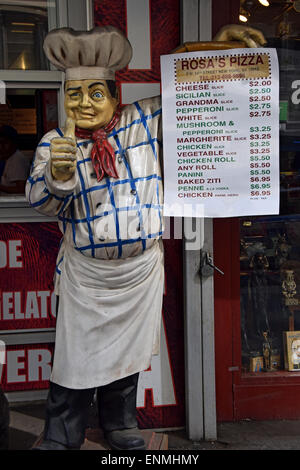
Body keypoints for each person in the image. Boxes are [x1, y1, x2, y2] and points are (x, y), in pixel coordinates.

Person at [26, 24, 266, 451]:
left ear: (116, 97)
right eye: (75, 94)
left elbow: (192, 90)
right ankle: (64, 433)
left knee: (127, 358)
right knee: (73, 360)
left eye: (95, 93)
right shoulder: (55, 143)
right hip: (87, 278)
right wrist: (59, 175)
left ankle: (119, 425)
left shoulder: (143, 121)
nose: (84, 104)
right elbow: (41, 202)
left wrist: (218, 50)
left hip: (138, 274)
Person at [0, 125, 30, 195]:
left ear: (13, 143)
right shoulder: (7, 158)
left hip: (14, 204)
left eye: (5, 143)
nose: (1, 147)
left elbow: (21, 189)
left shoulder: (18, 160)